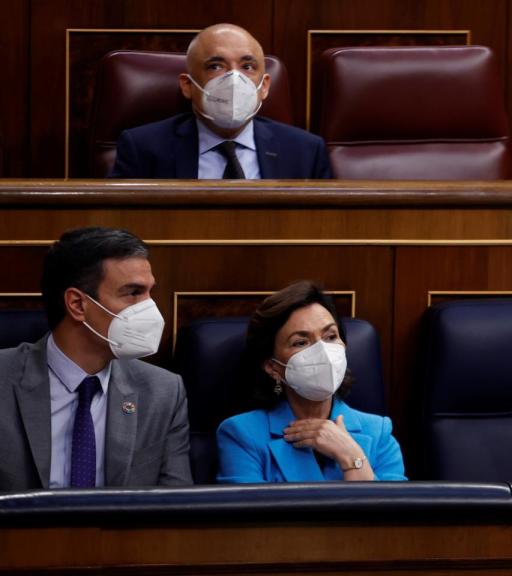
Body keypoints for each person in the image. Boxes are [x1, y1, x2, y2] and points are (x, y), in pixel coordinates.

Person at [0, 227, 191, 491]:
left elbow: (175, 509)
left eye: (149, 293)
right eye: (133, 293)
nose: (150, 309)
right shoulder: (4, 379)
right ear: (78, 304)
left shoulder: (163, 392)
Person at [217, 281, 405, 482]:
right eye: (301, 342)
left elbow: (392, 513)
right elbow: (247, 513)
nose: (323, 351)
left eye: (331, 336)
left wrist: (352, 457)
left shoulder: (379, 432)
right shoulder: (242, 434)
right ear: (273, 368)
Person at [109, 23, 332, 179]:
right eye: (216, 66)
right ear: (187, 86)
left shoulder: (306, 151)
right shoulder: (143, 148)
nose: (234, 79)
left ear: (264, 86)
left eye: (247, 67)